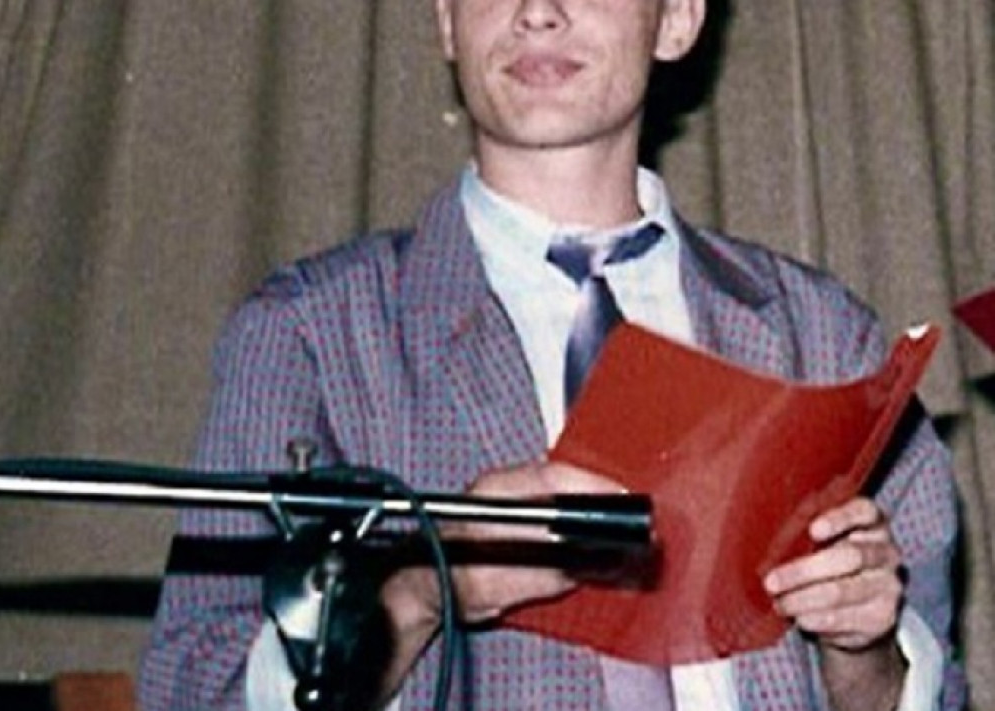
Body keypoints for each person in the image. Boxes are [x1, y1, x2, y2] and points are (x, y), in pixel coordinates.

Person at [138, 1, 964, 709]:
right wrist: (423, 590)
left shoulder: (826, 340)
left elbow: (931, 691)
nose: (538, 10)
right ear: (447, 20)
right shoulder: (308, 336)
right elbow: (194, 690)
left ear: (677, 18)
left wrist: (861, 648)